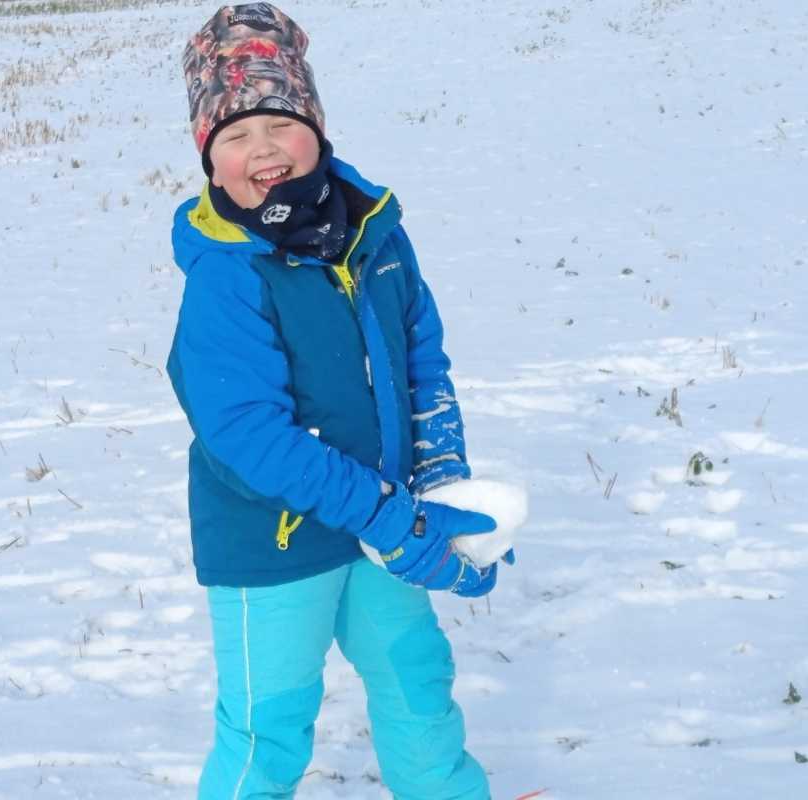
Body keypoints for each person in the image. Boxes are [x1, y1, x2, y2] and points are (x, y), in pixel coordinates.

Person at [168, 5, 512, 798]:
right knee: (268, 725)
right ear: (209, 159)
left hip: (383, 521)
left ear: (316, 131)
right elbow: (247, 436)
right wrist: (392, 518)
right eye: (235, 135)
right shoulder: (226, 273)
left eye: (280, 125)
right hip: (273, 543)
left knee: (416, 679)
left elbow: (420, 358)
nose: (263, 149)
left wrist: (441, 482)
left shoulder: (374, 233)